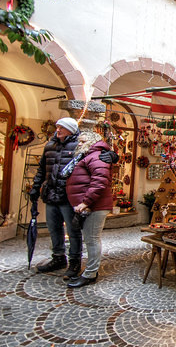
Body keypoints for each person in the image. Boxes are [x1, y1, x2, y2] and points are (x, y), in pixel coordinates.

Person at [29, 117, 83, 279]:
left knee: (73, 231)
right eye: (57, 127)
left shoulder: (78, 146)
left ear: (70, 130)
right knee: (54, 228)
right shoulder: (50, 145)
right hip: (51, 193)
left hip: (68, 196)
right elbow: (41, 169)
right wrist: (36, 187)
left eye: (61, 128)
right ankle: (58, 257)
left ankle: (75, 261)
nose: (57, 130)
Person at [65, 132, 114, 288]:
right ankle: (90, 271)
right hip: (90, 205)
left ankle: (90, 273)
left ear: (92, 142)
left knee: (92, 239)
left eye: (83, 141)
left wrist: (85, 202)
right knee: (90, 239)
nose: (79, 144)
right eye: (79, 142)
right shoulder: (88, 156)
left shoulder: (97, 156)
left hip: (95, 205)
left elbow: (99, 181)